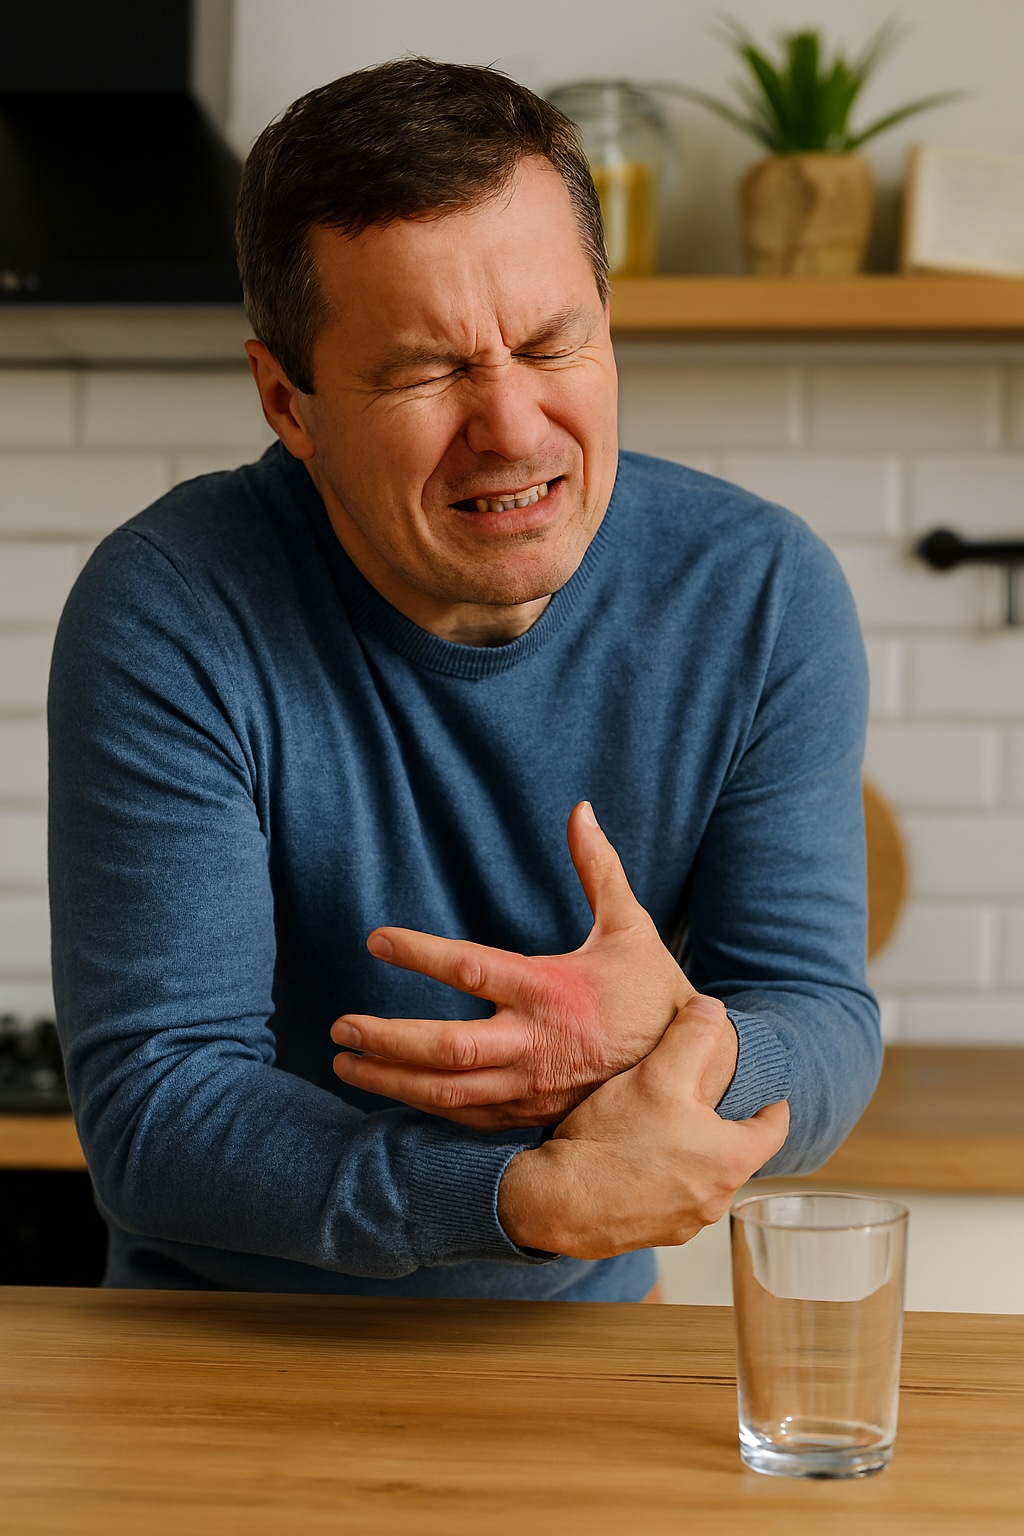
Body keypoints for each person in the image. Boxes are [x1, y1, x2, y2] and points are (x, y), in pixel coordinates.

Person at [48, 57, 880, 1298]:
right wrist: (517, 1199)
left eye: (554, 342)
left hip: (570, 1357)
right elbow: (158, 1115)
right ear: (289, 399)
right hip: (219, 1360)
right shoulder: (171, 610)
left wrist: (675, 1045)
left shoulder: (758, 592)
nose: (514, 428)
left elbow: (819, 1018)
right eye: (429, 370)